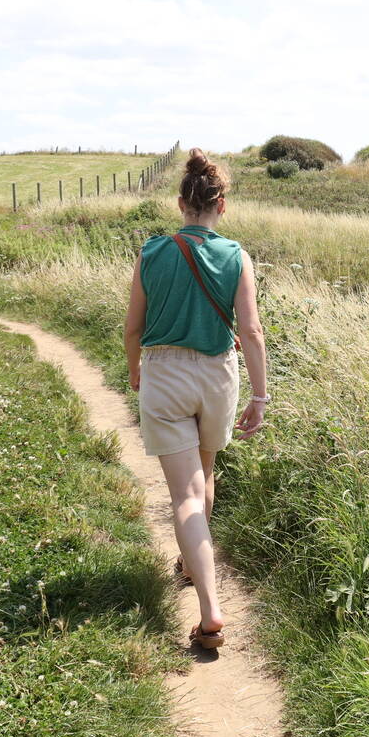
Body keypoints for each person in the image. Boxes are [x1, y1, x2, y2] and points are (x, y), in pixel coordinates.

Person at [123, 149, 269, 650]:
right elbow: (250, 330)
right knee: (205, 475)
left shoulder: (152, 252)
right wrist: (261, 395)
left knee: (185, 494)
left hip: (164, 372)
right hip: (217, 376)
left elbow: (133, 327)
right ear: (220, 206)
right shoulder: (237, 256)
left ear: (180, 203)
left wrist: (135, 369)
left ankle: (209, 610)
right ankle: (192, 565)